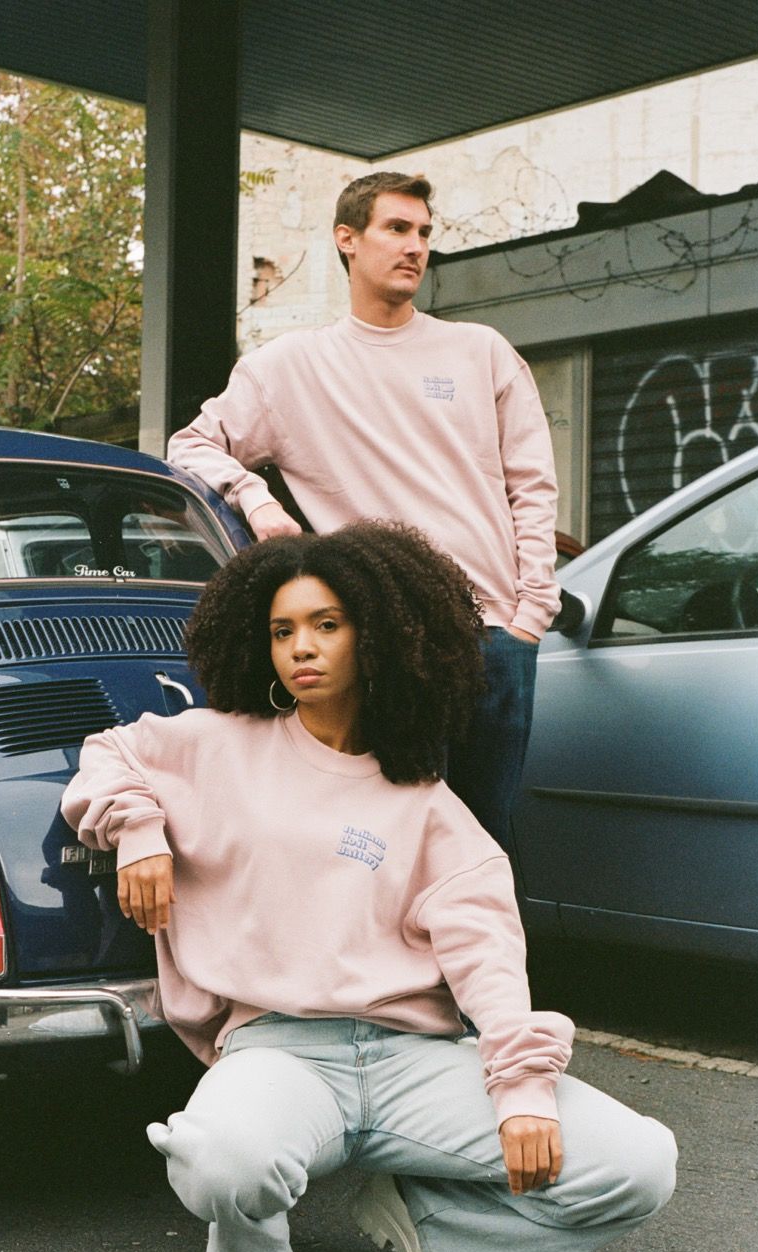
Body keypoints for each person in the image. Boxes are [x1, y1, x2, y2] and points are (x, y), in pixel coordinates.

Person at [61, 522, 676, 1252]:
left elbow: (488, 961)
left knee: (637, 1164)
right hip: (278, 1053)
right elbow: (108, 752)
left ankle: (437, 1237)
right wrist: (139, 831)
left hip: (413, 1060)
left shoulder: (431, 808)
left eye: (327, 625)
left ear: (380, 637)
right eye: (282, 630)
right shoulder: (216, 744)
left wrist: (521, 1092)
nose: (302, 647)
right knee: (220, 1160)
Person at [167, 171, 560, 850]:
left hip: (495, 636)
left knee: (484, 845)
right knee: (385, 842)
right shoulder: (288, 366)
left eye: (424, 232)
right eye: (396, 229)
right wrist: (258, 501)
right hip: (383, 637)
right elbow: (190, 445)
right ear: (347, 239)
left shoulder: (480, 351)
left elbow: (533, 484)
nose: (415, 246)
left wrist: (531, 614)